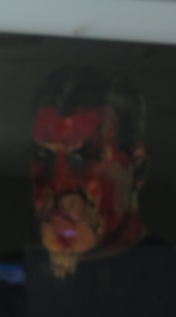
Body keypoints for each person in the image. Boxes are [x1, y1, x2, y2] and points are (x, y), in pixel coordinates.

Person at [31, 65, 148, 279]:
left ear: (137, 167)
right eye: (43, 158)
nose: (58, 188)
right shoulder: (15, 276)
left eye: (82, 159)